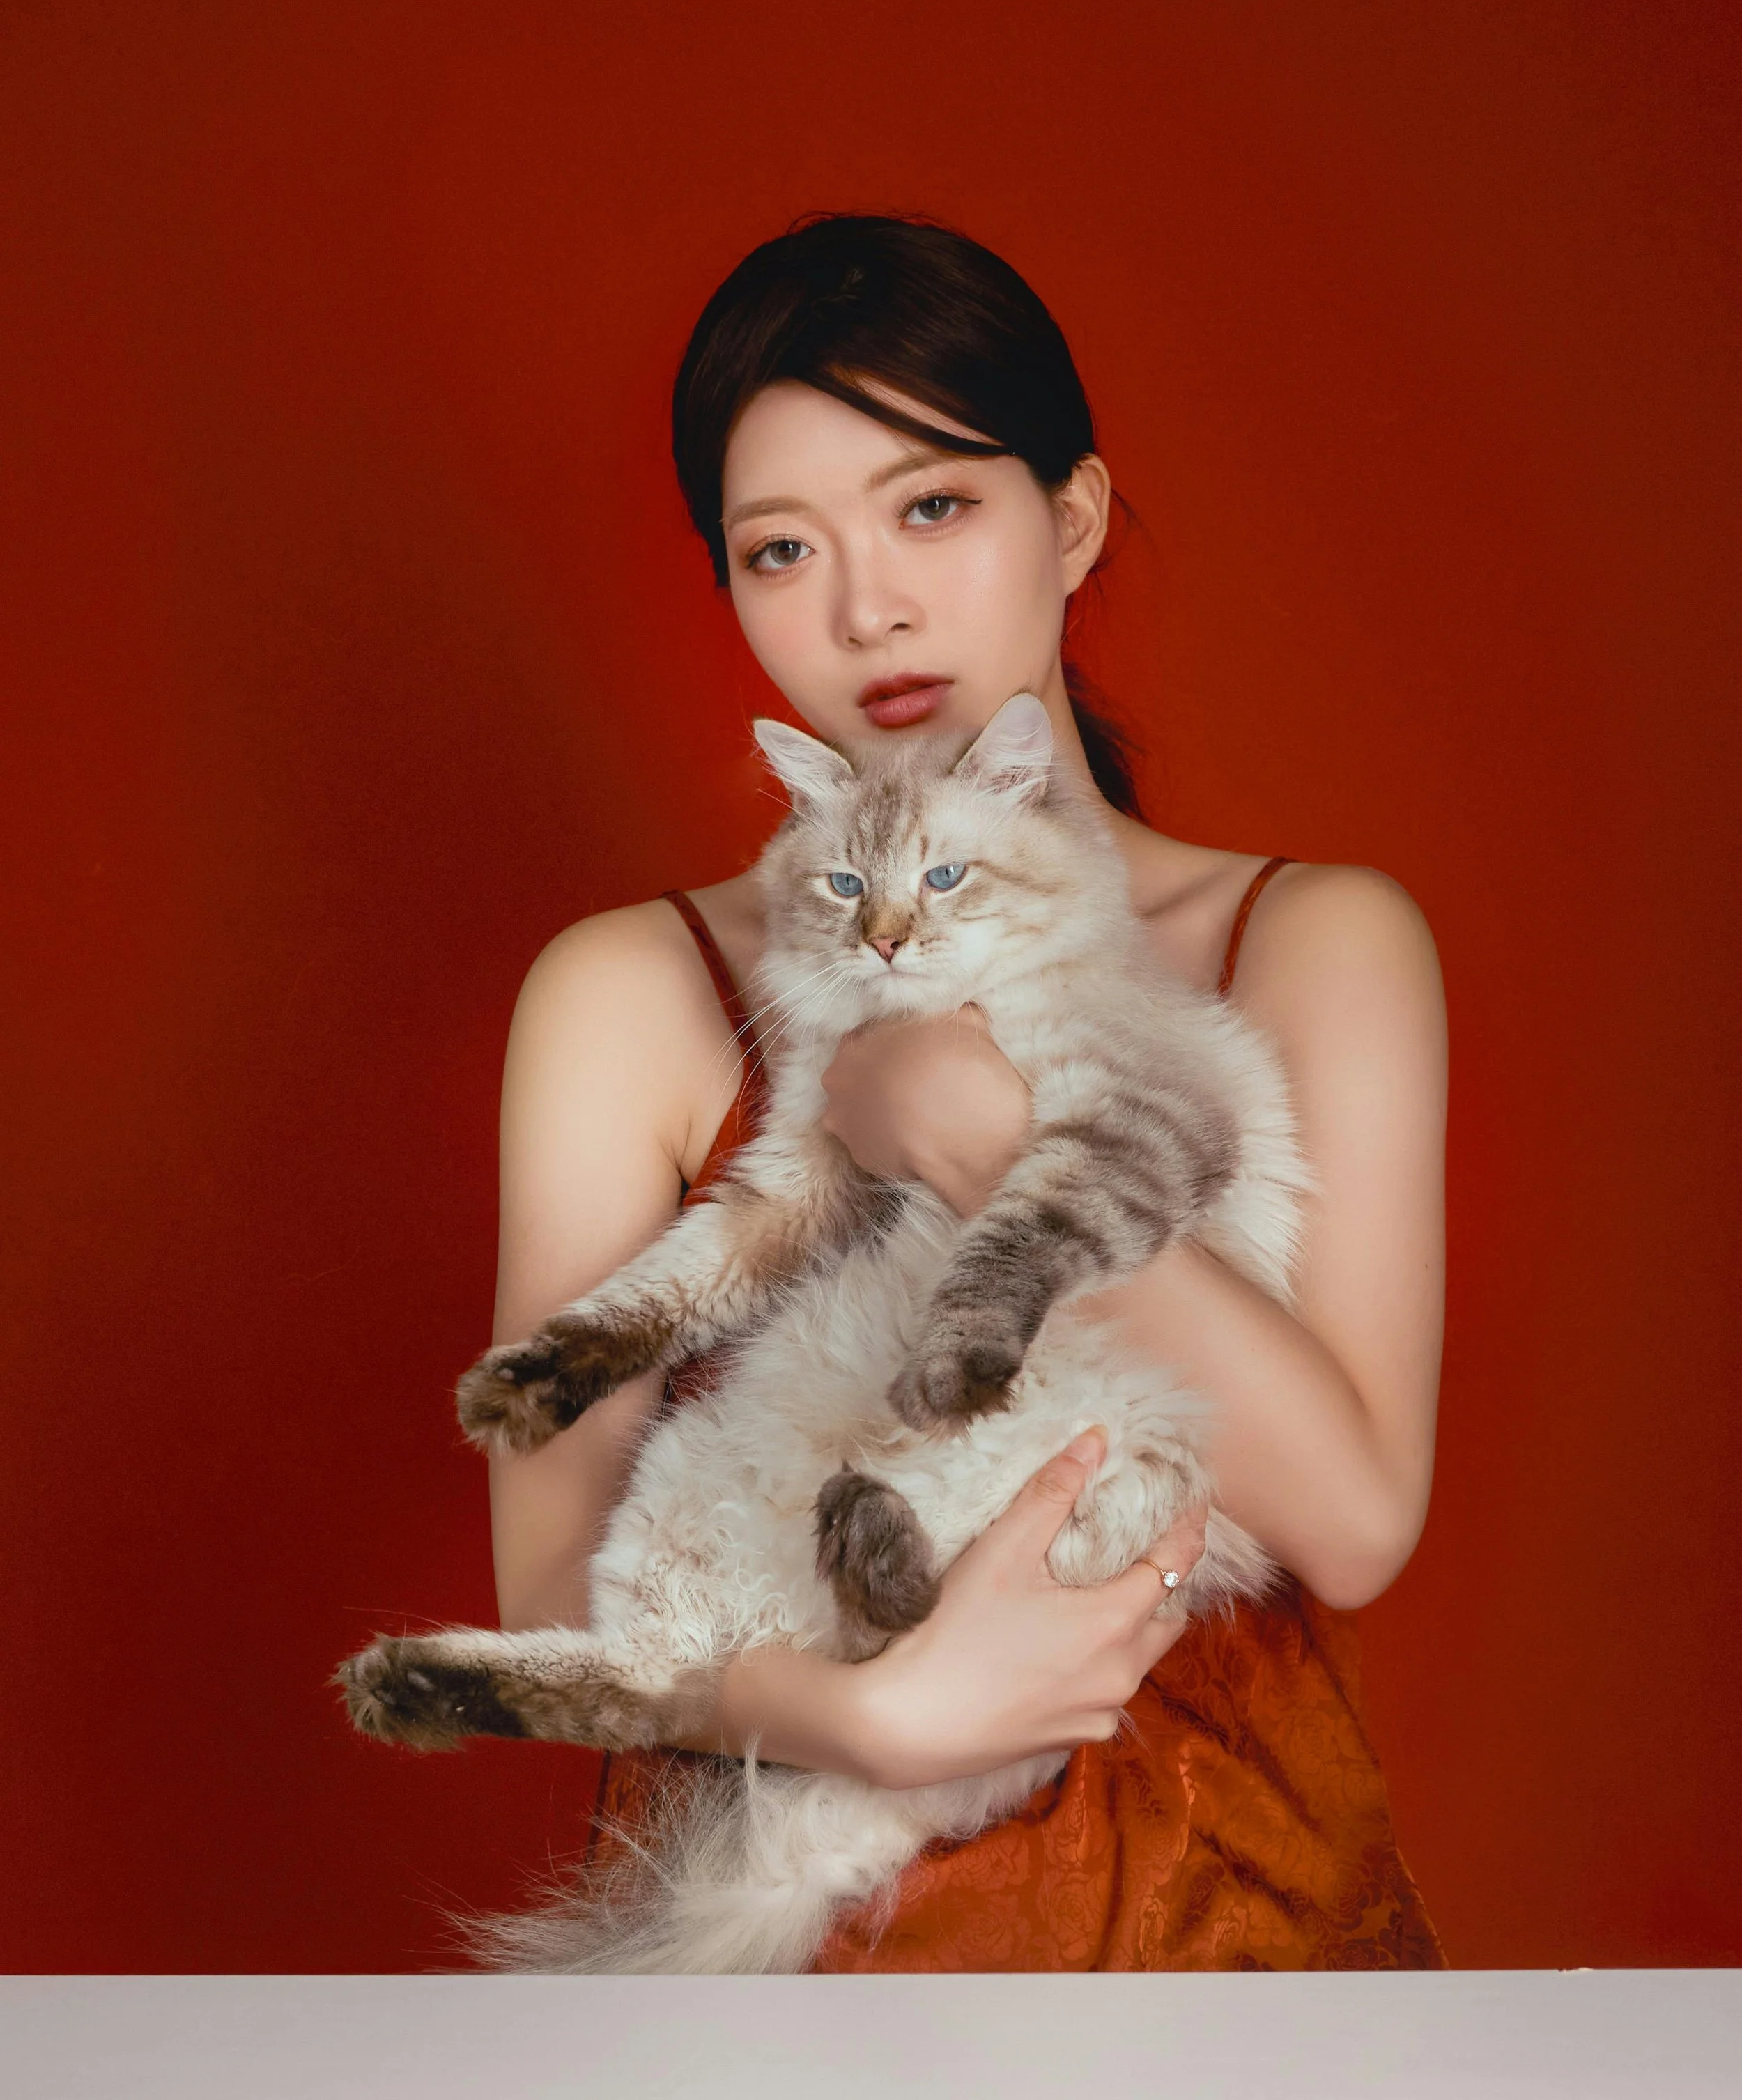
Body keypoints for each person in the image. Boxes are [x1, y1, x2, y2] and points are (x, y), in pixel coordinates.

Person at [483, 215, 1447, 1970]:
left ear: (1069, 518)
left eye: (930, 506)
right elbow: (553, 1589)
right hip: (791, 1976)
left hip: (1238, 1964)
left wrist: (988, 1140)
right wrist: (872, 1716)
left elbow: (1356, 1514)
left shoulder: (1304, 942)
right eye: (782, 549)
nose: (867, 608)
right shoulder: (634, 990)